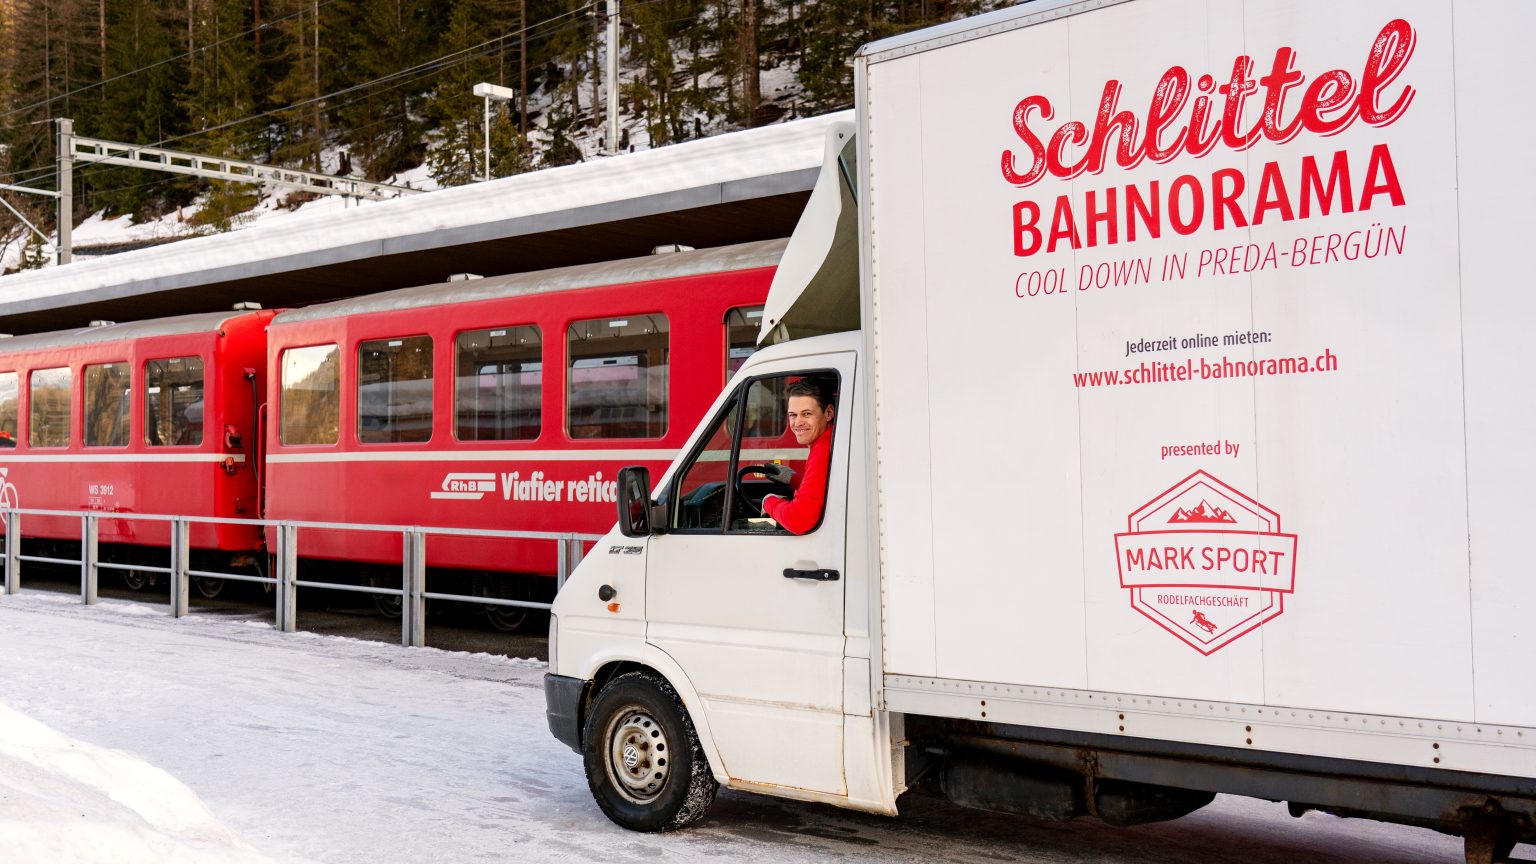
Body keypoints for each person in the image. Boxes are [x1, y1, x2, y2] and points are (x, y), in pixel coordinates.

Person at [760, 377, 834, 535]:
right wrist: (792, 478)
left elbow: (798, 520)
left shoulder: (823, 449)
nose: (798, 422)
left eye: (806, 414)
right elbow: (829, 487)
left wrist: (768, 501)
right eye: (793, 415)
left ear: (828, 413)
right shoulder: (828, 440)